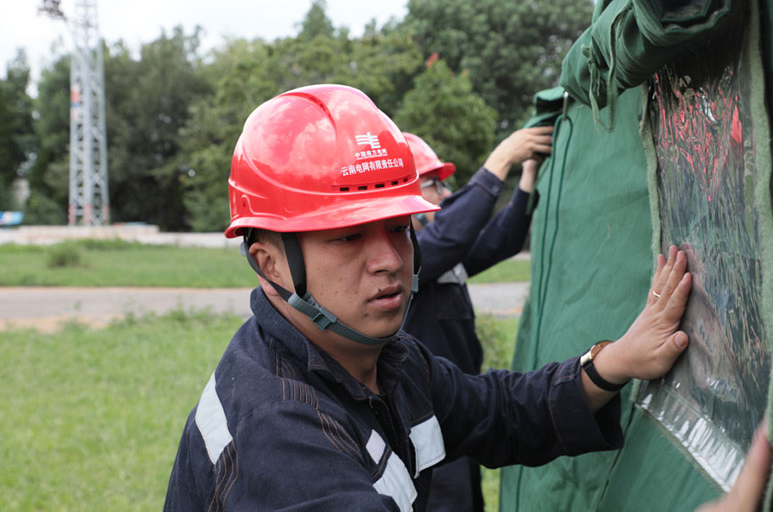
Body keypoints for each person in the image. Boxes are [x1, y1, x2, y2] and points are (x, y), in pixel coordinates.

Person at [163, 84, 694, 511]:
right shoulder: (280, 437)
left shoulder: (386, 361)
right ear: (268, 262)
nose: (390, 259)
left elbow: (498, 411)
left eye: (398, 227)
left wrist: (614, 361)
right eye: (348, 235)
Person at [401, 128, 552, 512]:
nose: (446, 195)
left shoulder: (438, 255)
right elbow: (453, 234)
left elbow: (499, 240)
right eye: (435, 185)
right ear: (408, 196)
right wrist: (499, 161)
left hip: (456, 416)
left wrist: (528, 176)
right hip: (423, 428)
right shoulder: (407, 261)